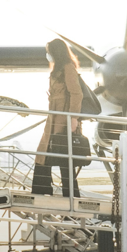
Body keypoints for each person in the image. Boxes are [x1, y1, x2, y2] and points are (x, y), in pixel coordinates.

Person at [31, 37, 83, 198]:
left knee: (62, 157)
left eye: (49, 52)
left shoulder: (68, 68)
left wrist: (73, 118)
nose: (48, 55)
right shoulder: (59, 68)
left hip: (63, 120)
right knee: (44, 154)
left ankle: (69, 195)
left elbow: (77, 93)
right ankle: (43, 189)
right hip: (54, 118)